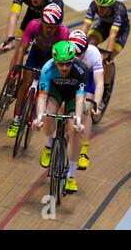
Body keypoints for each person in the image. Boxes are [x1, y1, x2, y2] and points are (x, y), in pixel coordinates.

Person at [33, 41, 89, 193]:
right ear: (54, 61)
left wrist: (77, 120)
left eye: (68, 64)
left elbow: (79, 99)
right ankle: (49, 145)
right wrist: (39, 118)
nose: (64, 68)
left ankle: (71, 175)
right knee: (47, 117)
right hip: (55, 93)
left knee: (74, 131)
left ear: (73, 60)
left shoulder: (81, 70)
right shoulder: (47, 69)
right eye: (60, 64)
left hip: (73, 96)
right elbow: (42, 98)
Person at [6, 3, 69, 138]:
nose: (49, 30)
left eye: (53, 27)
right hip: (36, 54)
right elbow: (22, 48)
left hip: (51, 59)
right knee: (26, 83)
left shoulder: (64, 33)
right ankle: (16, 120)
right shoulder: (34, 25)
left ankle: (35, 113)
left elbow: (61, 59)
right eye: (47, 26)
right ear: (42, 22)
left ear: (58, 26)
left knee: (44, 88)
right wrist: (17, 66)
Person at [81, 0, 130, 109]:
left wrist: (108, 55)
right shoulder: (93, 4)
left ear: (111, 5)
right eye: (99, 6)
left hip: (120, 31)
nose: (101, 10)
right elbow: (85, 26)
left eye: (104, 7)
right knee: (89, 43)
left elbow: (113, 36)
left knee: (107, 60)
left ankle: (105, 89)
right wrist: (80, 43)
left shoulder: (120, 10)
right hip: (103, 26)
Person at [0, 0, 64, 53]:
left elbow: (55, 27)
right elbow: (14, 15)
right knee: (18, 50)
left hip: (48, 21)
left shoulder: (55, 1)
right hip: (31, 15)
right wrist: (8, 40)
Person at [68, 30, 104, 170]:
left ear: (85, 50)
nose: (76, 57)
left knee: (86, 109)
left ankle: (83, 151)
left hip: (87, 78)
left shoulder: (93, 53)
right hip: (71, 76)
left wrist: (97, 104)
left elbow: (99, 83)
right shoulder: (65, 49)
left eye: (79, 54)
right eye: (74, 54)